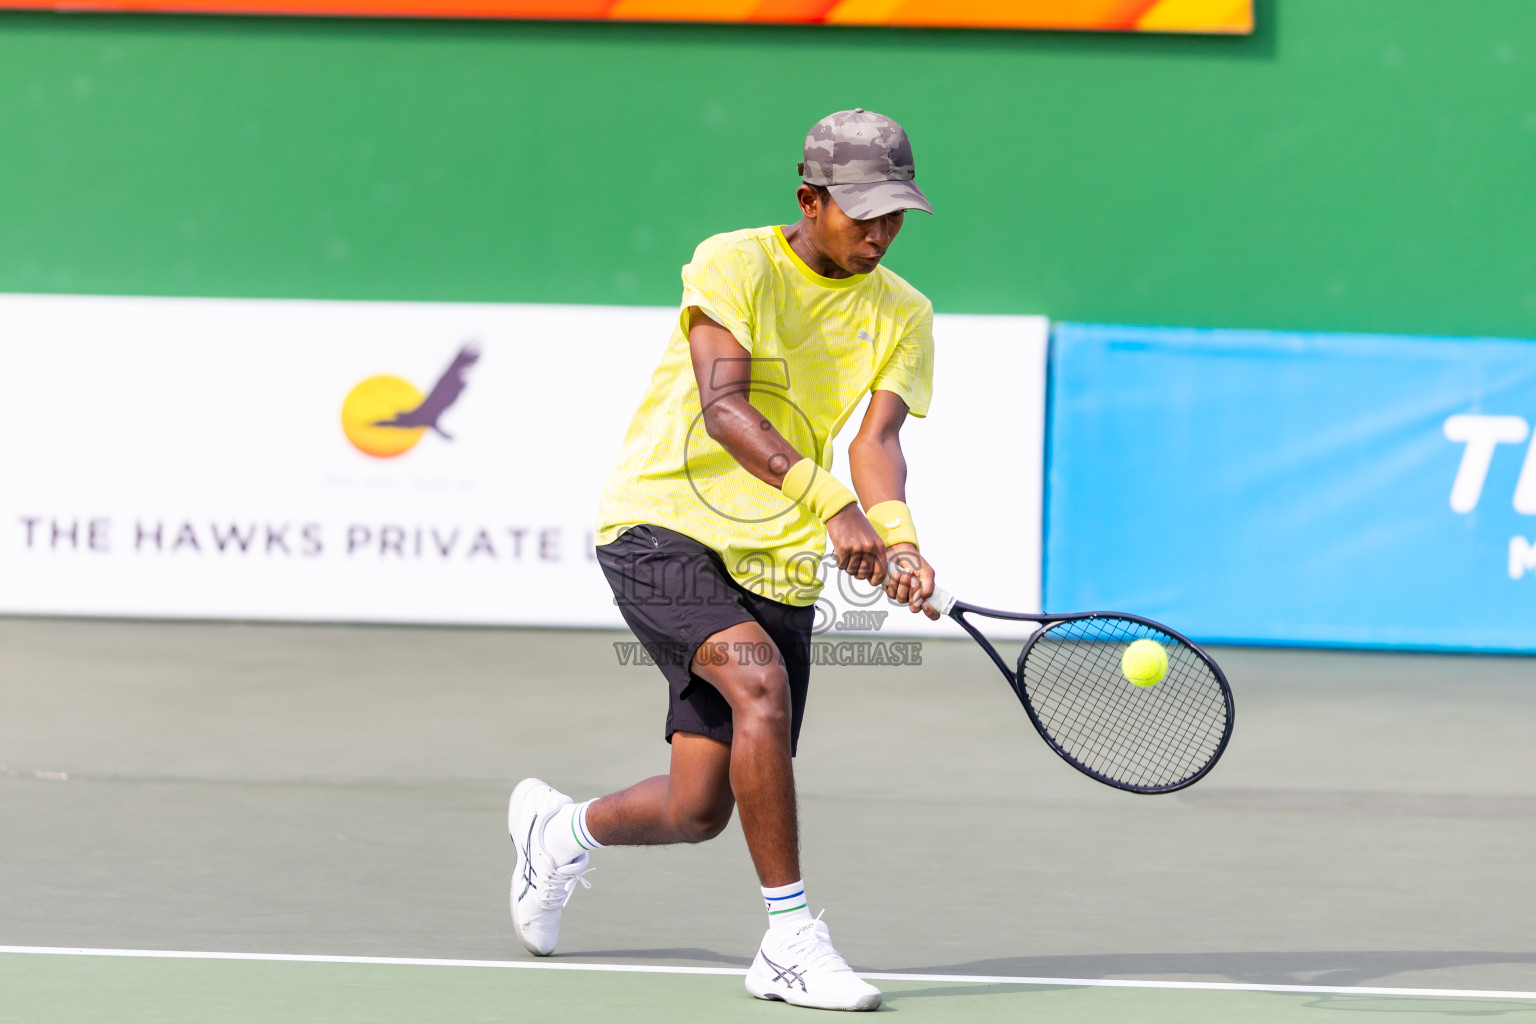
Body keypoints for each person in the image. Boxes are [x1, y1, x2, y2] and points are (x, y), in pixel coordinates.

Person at [509, 108, 939, 1013]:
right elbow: (725, 407)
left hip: (774, 558)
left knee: (700, 808)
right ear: (808, 199)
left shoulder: (905, 312)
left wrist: (895, 536)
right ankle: (789, 940)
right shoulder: (732, 262)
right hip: (660, 522)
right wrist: (833, 509)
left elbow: (878, 440)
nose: (880, 232)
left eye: (895, 212)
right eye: (862, 211)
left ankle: (560, 832)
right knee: (759, 687)